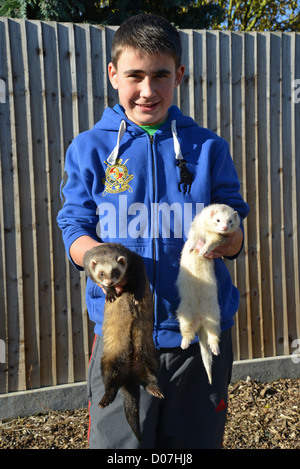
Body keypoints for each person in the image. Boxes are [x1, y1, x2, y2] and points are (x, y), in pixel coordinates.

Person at [57, 13, 249, 449]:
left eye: (161, 75)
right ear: (113, 75)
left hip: (199, 332)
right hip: (122, 337)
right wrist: (95, 259)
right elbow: (74, 225)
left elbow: (235, 220)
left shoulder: (207, 147)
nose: (148, 90)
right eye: (134, 75)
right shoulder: (90, 148)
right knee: (120, 449)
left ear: (179, 75)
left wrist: (228, 241)